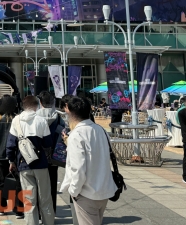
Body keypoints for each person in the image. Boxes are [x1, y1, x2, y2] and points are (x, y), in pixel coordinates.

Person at [60, 96, 117, 225]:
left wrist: (74, 191)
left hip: (86, 192)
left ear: (69, 111)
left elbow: (78, 168)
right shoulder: (101, 130)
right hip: (104, 189)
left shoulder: (76, 135)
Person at [7, 95, 54, 225]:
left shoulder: (16, 120)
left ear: (23, 106)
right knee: (45, 198)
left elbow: (10, 145)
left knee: (29, 200)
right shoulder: (41, 121)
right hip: (41, 164)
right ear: (36, 105)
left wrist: (11, 161)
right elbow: (48, 143)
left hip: (24, 164)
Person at [0, 95, 24, 219]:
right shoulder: (17, 119)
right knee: (17, 181)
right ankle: (18, 209)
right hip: (15, 155)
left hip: (0, 154)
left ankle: (1, 206)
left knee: (1, 180)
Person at [37, 91, 66, 214]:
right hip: (54, 156)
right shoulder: (58, 117)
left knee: (39, 185)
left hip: (38, 156)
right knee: (52, 184)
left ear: (40, 102)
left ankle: (40, 213)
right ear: (53, 102)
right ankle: (51, 211)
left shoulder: (35, 117)